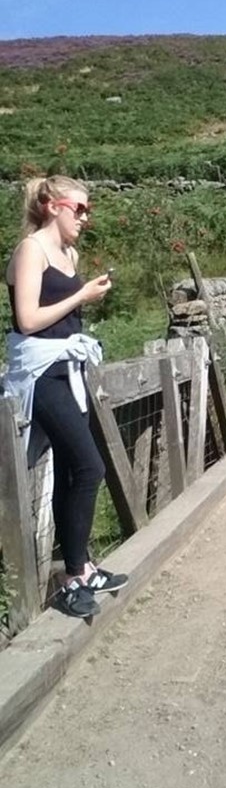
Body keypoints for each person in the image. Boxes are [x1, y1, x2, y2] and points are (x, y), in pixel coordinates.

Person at [3, 175, 128, 618]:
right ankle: (74, 575)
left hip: (66, 369)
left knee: (71, 469)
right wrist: (81, 294)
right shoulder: (30, 250)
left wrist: (84, 296)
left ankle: (82, 565)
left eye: (87, 209)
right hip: (39, 373)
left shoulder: (69, 253)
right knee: (89, 466)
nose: (86, 217)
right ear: (54, 206)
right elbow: (28, 319)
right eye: (80, 209)